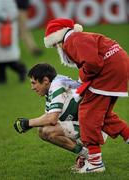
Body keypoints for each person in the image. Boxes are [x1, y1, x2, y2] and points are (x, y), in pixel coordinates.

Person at [44, 18, 129, 173]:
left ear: (59, 36)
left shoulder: (72, 40)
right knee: (104, 116)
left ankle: (95, 163)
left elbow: (92, 64)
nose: (58, 47)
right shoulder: (80, 37)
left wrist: (82, 77)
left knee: (87, 115)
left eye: (56, 43)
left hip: (108, 71)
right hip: (116, 67)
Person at [13, 63, 108, 170]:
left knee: (46, 131)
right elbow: (49, 116)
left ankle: (90, 157)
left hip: (94, 129)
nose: (32, 88)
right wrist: (30, 124)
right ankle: (88, 155)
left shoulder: (57, 86)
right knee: (42, 130)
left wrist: (27, 123)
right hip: (90, 125)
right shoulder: (56, 83)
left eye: (34, 83)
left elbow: (52, 119)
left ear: (45, 80)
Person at [0, 0, 27, 83]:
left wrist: (1, 17)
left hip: (4, 32)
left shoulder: (7, 1)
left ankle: (22, 70)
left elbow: (12, 14)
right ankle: (0, 79)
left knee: (9, 59)